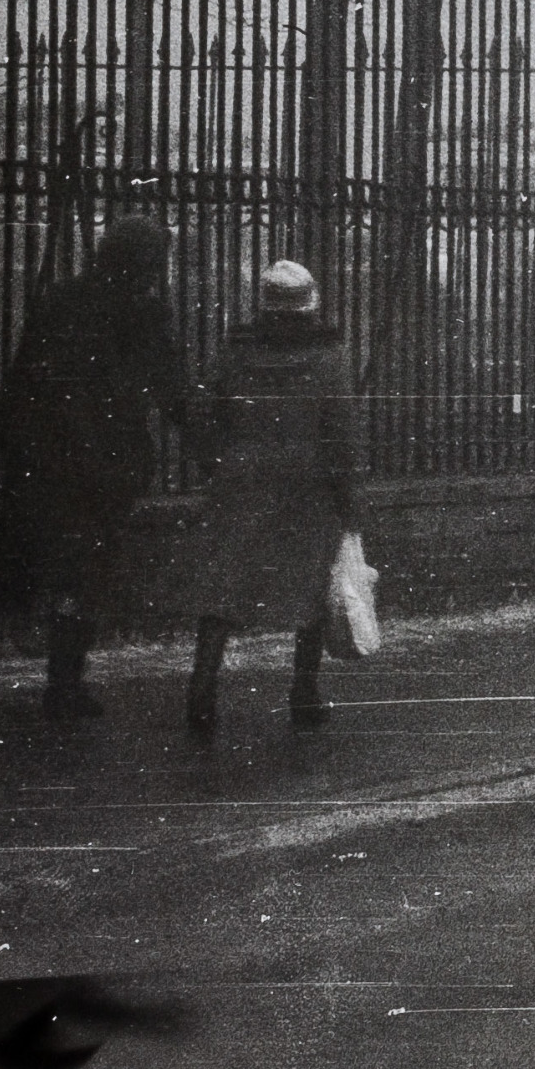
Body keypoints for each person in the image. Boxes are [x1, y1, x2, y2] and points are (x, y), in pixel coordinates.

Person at [0, 217, 188, 720]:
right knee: (86, 571)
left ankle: (61, 677)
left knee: (38, 567)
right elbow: (172, 388)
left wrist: (2, 445)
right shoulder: (145, 313)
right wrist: (210, 442)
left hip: (45, 459)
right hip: (104, 464)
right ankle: (65, 680)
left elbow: (23, 373)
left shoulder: (61, 299)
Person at [186, 260, 362, 738]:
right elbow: (341, 431)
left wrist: (216, 462)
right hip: (307, 483)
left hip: (241, 478)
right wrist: (348, 496)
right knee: (311, 588)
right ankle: (303, 693)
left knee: (225, 582)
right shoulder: (330, 355)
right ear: (311, 303)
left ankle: (201, 691)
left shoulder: (235, 351)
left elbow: (202, 411)